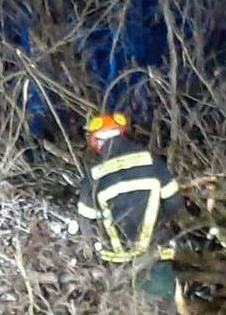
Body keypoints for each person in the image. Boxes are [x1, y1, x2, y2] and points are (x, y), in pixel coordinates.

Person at [76, 112, 185, 308]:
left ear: (96, 141)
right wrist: (158, 225)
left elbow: (86, 225)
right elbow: (175, 202)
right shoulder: (151, 161)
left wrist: (97, 251)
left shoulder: (94, 176)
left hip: (118, 269)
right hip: (156, 257)